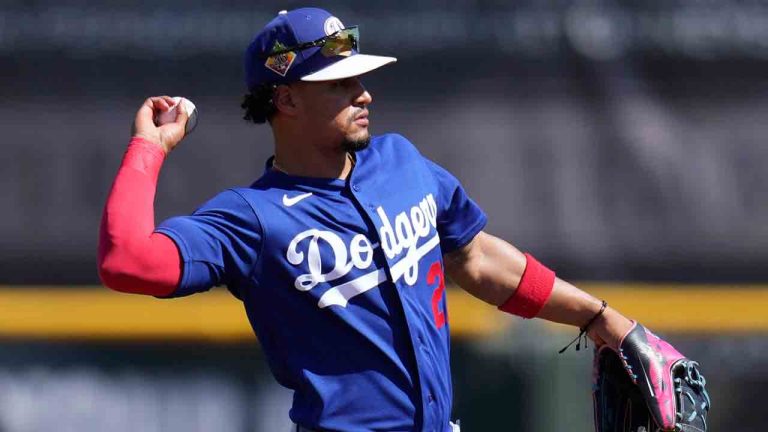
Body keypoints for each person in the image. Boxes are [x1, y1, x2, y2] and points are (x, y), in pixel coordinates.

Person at [98, 7, 636, 432]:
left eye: (359, 78)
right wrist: (149, 146)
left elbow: (474, 255)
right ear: (285, 98)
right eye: (339, 83)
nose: (364, 93)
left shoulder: (401, 162)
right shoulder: (252, 218)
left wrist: (595, 317)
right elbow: (127, 261)